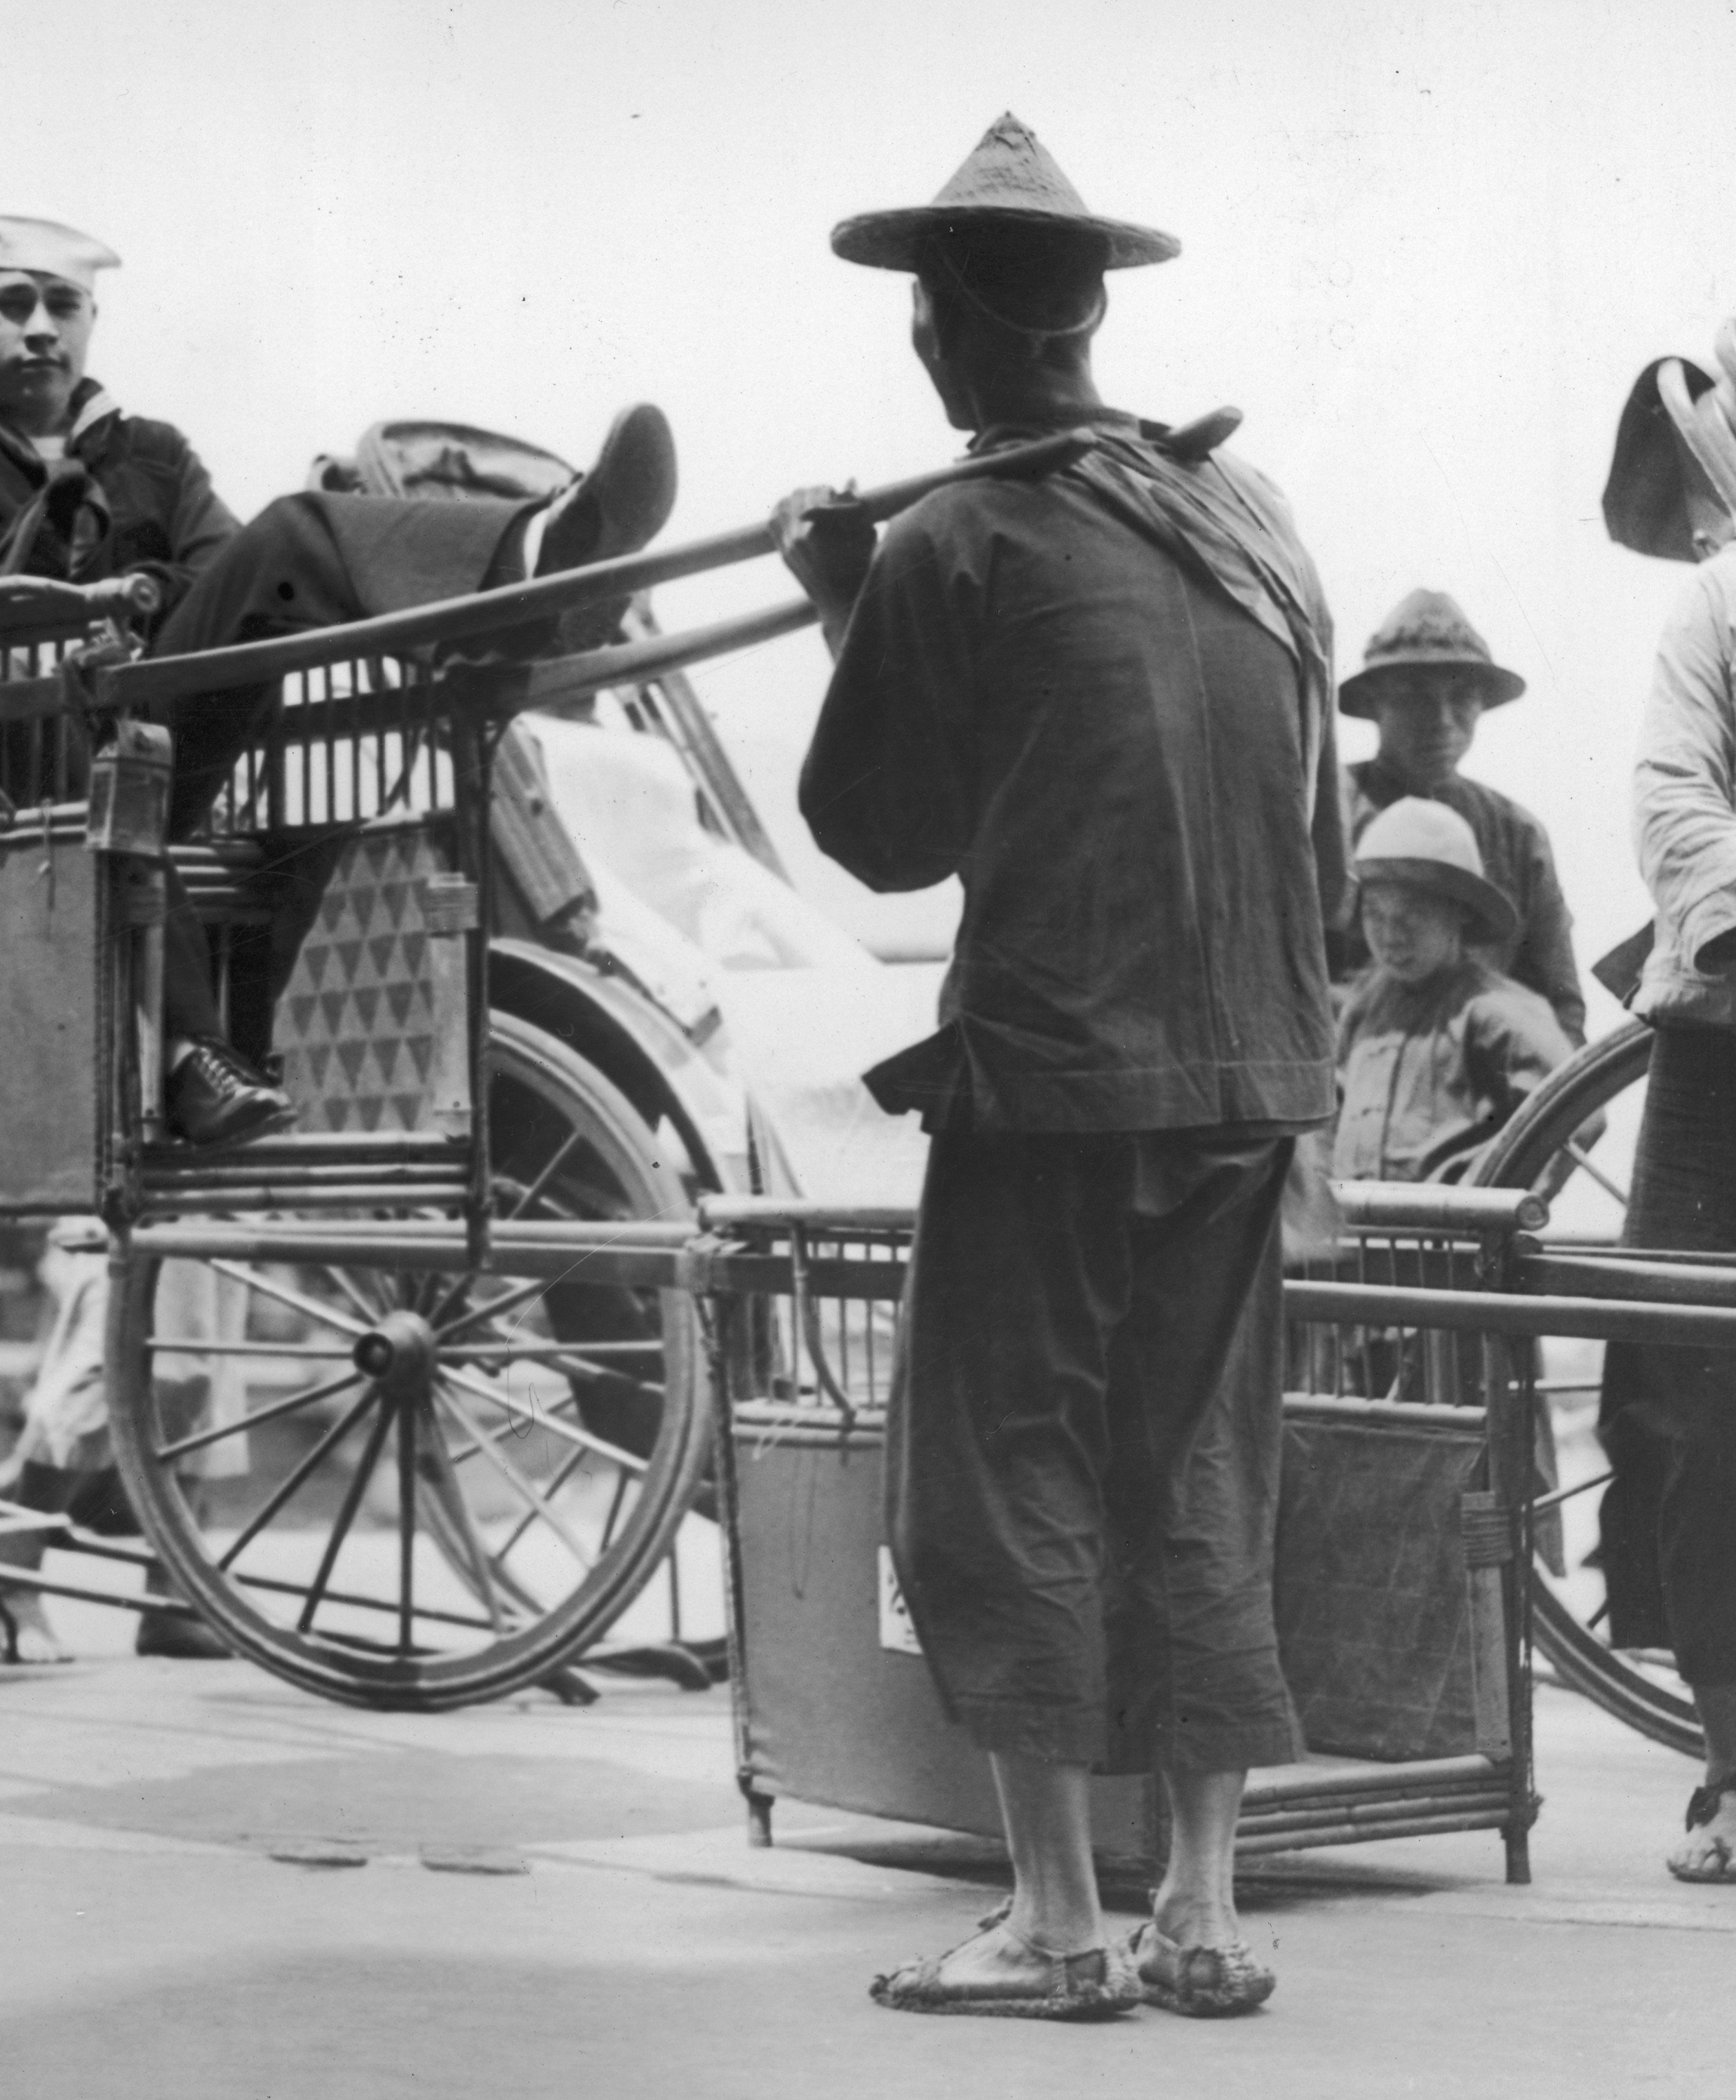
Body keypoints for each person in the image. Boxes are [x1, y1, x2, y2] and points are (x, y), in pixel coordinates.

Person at [782, 114, 1345, 2019]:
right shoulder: (1245, 515)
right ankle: (1199, 1905)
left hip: (1057, 1077)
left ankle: (1051, 1921)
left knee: (999, 1473)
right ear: (1091, 312)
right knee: (1194, 1464)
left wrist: (838, 600)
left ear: (939, 332)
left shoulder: (957, 534)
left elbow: (883, 833)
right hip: (1253, 1074)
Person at [0, 215, 675, 1145]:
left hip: (133, 732)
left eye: (64, 305)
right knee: (85, 747)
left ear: (91, 318)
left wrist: (136, 601)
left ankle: (532, 566)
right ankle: (192, 1050)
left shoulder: (146, 451)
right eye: (11, 303)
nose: (41, 326)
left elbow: (234, 579)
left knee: (289, 538)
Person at [1592, 325, 1736, 1881]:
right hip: (1723, 1044)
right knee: (1699, 1415)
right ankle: (1730, 1762)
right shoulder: (1714, 602)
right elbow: (1666, 790)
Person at [1334, 588, 1586, 1044]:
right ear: (1373, 704)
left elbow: (1557, 1003)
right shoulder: (1326, 813)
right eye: (1414, 698)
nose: (1442, 721)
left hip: (1481, 1097)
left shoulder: (1515, 833)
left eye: (1462, 699)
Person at [1332, 798, 1570, 1185]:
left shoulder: (1495, 1012)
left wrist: (1482, 1200)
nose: (1391, 935)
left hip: (1453, 1239)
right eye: (1375, 913)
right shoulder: (1361, 1013)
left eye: (1413, 914)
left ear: (1460, 912)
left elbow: (1574, 1114)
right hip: (1354, 1237)